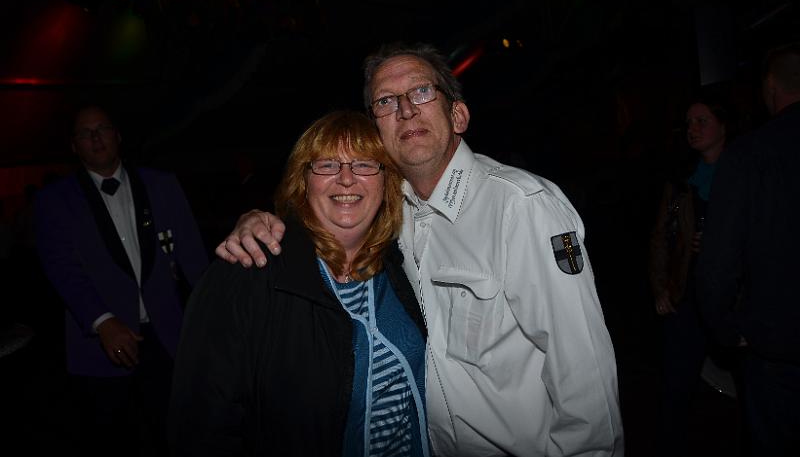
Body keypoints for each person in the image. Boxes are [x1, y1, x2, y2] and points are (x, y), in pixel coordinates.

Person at [216, 42, 624, 456]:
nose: (406, 110)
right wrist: (261, 221)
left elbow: (583, 370)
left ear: (458, 115)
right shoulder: (390, 213)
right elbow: (328, 204)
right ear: (377, 134)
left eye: (422, 92)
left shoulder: (520, 208)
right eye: (386, 101)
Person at [168, 110, 429, 457]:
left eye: (364, 164)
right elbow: (200, 427)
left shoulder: (400, 265)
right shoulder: (249, 272)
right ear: (303, 181)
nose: (346, 179)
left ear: (386, 183)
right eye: (327, 165)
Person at [34, 104, 209, 457]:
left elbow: (193, 256)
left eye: (102, 128)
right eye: (86, 133)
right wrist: (102, 321)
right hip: (100, 344)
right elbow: (62, 269)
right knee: (111, 437)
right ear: (74, 146)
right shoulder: (55, 200)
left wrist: (214, 315)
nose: (96, 137)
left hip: (165, 336)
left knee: (174, 431)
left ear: (118, 135)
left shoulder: (162, 185)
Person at [695, 42, 800, 457]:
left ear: (770, 88)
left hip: (779, 349)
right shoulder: (690, 178)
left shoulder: (749, 156)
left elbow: (717, 265)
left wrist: (727, 330)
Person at [648, 93, 738, 456]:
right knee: (677, 384)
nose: (693, 129)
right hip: (687, 296)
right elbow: (660, 238)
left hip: (734, 299)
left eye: (702, 121)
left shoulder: (744, 175)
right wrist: (661, 288)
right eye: (689, 123)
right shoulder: (681, 183)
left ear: (723, 126)